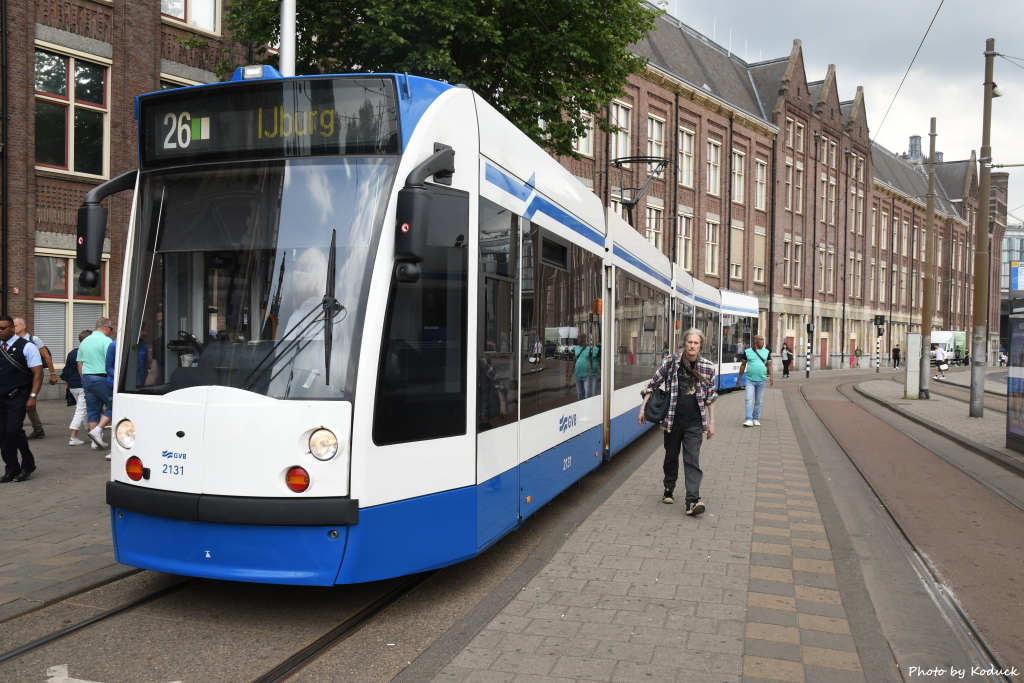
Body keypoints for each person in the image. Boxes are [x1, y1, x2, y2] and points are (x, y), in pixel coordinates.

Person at [638, 328, 717, 516]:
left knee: (692, 460)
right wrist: (643, 408)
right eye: (689, 342)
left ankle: (692, 501)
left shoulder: (707, 367)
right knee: (671, 456)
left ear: (700, 346)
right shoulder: (671, 362)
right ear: (684, 343)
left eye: (696, 343)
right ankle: (669, 487)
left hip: (695, 423)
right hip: (672, 421)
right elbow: (653, 384)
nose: (692, 345)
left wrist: (712, 422)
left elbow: (711, 397)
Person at [0, 316, 43, 482]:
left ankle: (28, 464)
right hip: (1, 396)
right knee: (3, 434)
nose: (0, 331)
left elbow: (38, 374)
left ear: (12, 328)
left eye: (3, 328)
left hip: (18, 395)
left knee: (13, 430)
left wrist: (33, 396)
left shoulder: (28, 347)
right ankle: (11, 469)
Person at [13, 317, 58, 438]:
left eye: (16, 325)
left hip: (32, 375)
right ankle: (36, 429)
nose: (14, 327)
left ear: (23, 326)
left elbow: (46, 357)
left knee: (27, 401)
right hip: (16, 376)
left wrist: (53, 374)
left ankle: (33, 429)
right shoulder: (12, 340)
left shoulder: (33, 340)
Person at [78, 318, 115, 449]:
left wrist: (84, 378)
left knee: (93, 410)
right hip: (101, 377)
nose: (111, 332)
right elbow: (110, 361)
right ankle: (97, 431)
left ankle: (95, 442)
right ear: (106, 327)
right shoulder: (106, 341)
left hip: (87, 377)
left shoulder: (85, 341)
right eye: (111, 329)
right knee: (115, 405)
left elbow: (80, 363)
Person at [60, 331, 91, 446]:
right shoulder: (88, 353)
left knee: (83, 410)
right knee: (81, 411)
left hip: (73, 385)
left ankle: (91, 432)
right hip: (83, 385)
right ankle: (73, 437)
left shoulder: (72, 353)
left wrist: (67, 384)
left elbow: (67, 370)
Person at [739, 334, 773, 427]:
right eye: (761, 339)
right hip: (750, 380)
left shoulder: (766, 352)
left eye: (763, 339)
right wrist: (739, 378)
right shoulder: (747, 351)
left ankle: (756, 418)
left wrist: (771, 377)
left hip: (762, 380)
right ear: (755, 341)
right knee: (748, 399)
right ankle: (749, 419)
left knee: (759, 401)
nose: (763, 341)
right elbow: (743, 365)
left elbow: (769, 365)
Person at [571, 332, 600, 400]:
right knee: (580, 395)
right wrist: (570, 372)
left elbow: (591, 361)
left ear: (584, 339)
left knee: (586, 396)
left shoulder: (589, 349)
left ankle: (586, 409)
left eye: (579, 338)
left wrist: (593, 372)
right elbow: (574, 361)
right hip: (578, 376)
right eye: (577, 337)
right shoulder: (576, 348)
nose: (578, 339)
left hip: (586, 376)